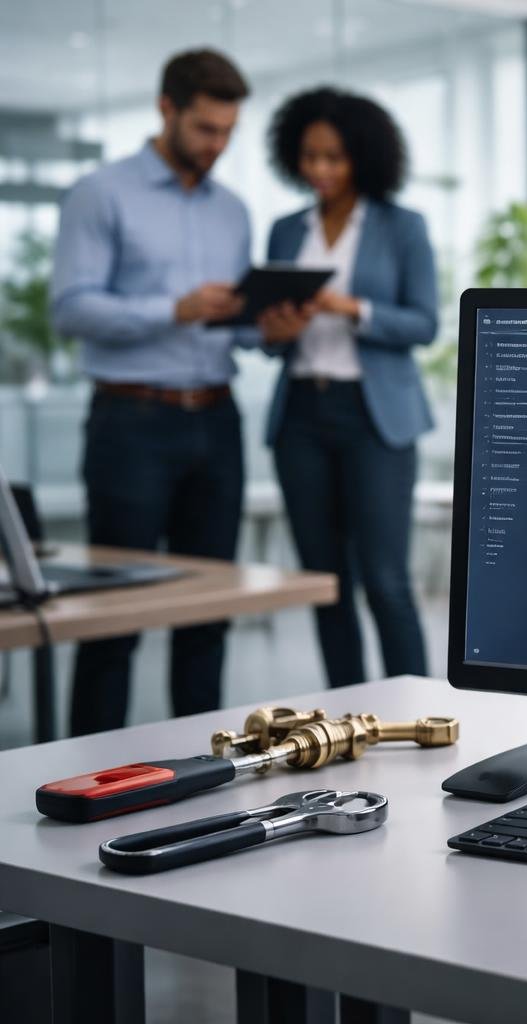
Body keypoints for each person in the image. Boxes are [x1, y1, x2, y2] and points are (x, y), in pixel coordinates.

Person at [50, 50, 253, 735]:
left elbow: (230, 323)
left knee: (207, 615)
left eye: (227, 131)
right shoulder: (100, 193)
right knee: (114, 622)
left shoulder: (233, 210)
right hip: (131, 421)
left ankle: (201, 776)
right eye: (204, 129)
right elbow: (71, 308)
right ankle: (83, 783)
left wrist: (264, 323)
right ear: (166, 108)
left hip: (218, 420)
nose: (216, 145)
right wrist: (175, 308)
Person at [256, 87, 436, 688]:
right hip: (303, 413)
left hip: (374, 416)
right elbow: (269, 335)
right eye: (309, 156)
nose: (321, 170)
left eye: (334, 156)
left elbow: (425, 322)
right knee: (325, 583)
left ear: (364, 155)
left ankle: (417, 714)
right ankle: (345, 720)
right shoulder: (286, 230)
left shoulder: (402, 227)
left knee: (385, 579)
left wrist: (351, 306)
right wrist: (276, 330)